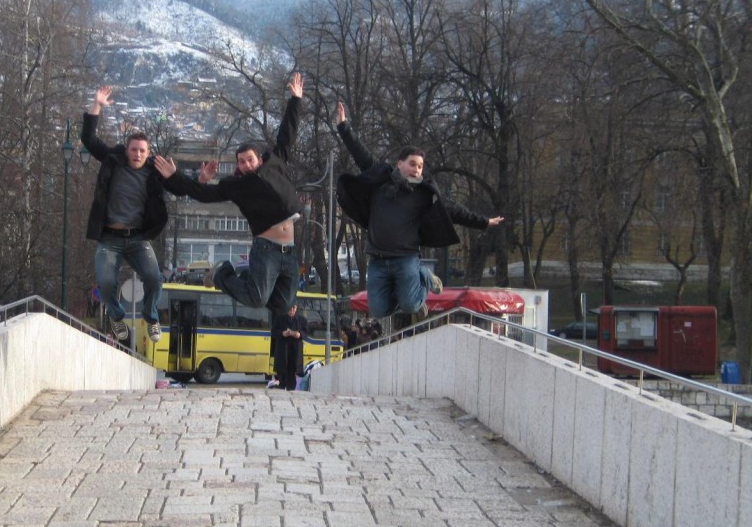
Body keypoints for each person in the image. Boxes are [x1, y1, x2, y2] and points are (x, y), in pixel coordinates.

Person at [334, 102, 504, 323]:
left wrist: (483, 222)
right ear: (399, 164)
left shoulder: (423, 193)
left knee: (410, 304)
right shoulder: (381, 179)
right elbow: (361, 154)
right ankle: (416, 280)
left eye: (421, 166)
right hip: (377, 259)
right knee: (378, 309)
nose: (417, 170)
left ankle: (422, 277)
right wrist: (344, 127)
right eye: (413, 164)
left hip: (405, 258)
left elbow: (452, 210)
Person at [153, 73, 304, 316]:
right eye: (241, 162)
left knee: (284, 306)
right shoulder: (236, 185)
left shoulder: (275, 162)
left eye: (249, 160)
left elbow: (287, 134)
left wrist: (295, 100)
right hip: (267, 248)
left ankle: (245, 275)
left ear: (259, 158)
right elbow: (204, 194)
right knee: (256, 299)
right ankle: (222, 273)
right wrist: (176, 176)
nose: (245, 165)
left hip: (290, 249)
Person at [81, 85, 169, 344]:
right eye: (134, 150)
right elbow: (89, 139)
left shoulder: (154, 172)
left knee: (154, 278)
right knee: (106, 284)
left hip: (139, 239)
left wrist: (202, 178)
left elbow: (180, 184)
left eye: (142, 151)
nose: (138, 154)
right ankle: (117, 317)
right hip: (110, 238)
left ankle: (151, 318)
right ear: (127, 149)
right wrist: (96, 105)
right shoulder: (113, 160)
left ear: (148, 152)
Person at [271, 302, 307, 390]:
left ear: (296, 308)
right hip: (283, 350)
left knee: (292, 372)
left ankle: (291, 390)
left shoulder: (302, 320)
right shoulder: (279, 318)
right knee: (282, 373)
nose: (292, 310)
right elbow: (273, 332)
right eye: (290, 308)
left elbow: (306, 333)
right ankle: (281, 387)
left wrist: (299, 334)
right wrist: (283, 333)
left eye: (294, 308)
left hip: (295, 351)